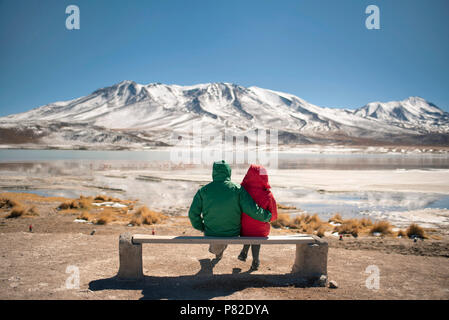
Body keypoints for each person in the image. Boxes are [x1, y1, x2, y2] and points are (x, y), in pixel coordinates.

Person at [188, 160, 272, 260]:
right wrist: (267, 216)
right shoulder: (237, 189)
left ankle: (216, 250)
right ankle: (217, 249)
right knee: (223, 233)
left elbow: (193, 214)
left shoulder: (203, 190)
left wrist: (202, 227)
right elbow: (252, 210)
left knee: (216, 240)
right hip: (233, 232)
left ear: (214, 172)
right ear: (228, 172)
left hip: (211, 232)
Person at [238, 164, 278, 270]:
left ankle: (244, 252)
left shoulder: (242, 192)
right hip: (261, 231)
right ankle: (256, 260)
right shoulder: (268, 195)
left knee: (249, 229)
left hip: (243, 229)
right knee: (257, 231)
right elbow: (273, 216)